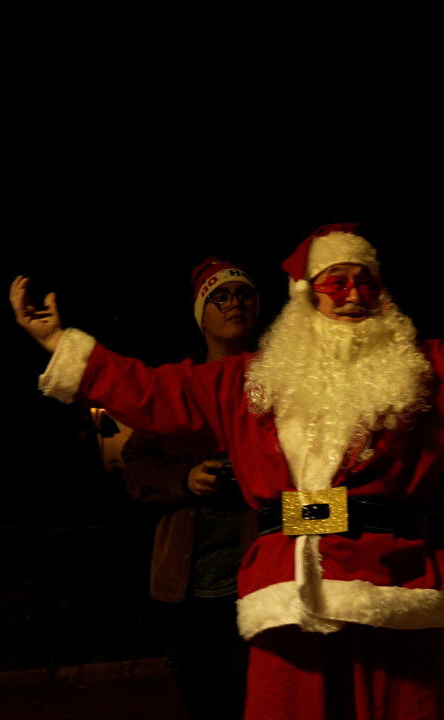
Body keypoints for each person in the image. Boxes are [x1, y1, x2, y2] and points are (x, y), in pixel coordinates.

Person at [10, 215, 444, 720]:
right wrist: (58, 342)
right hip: (288, 589)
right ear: (307, 298)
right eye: (336, 283)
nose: (355, 293)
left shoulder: (422, 370)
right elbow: (149, 391)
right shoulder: (248, 382)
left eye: (366, 282)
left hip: (390, 581)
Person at [119, 258, 260, 719]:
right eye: (220, 297)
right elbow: (136, 465)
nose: (234, 303)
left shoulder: (280, 381)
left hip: (261, 585)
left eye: (242, 294)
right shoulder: (177, 387)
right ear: (202, 314)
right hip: (187, 590)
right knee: (204, 702)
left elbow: (321, 491)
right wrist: (185, 480)